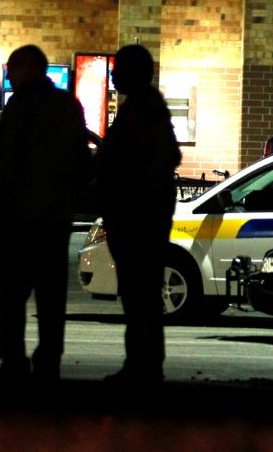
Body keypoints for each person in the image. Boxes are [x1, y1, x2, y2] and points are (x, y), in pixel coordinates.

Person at [0, 44, 91, 381]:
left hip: (18, 219)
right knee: (50, 300)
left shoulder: (20, 106)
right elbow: (81, 161)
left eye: (12, 68)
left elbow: (6, 160)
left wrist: (0, 205)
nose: (7, 75)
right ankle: (48, 362)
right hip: (54, 219)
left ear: (29, 68)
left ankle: (13, 362)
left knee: (10, 297)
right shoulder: (67, 105)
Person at [97, 43, 182, 384]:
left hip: (138, 222)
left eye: (119, 68)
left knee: (139, 295)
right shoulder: (143, 107)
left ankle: (143, 366)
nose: (113, 74)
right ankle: (144, 364)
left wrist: (132, 197)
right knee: (139, 295)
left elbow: (162, 158)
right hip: (138, 218)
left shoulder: (144, 109)